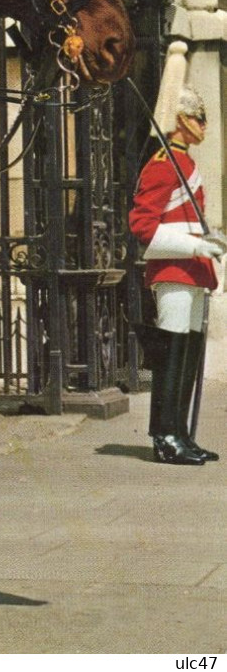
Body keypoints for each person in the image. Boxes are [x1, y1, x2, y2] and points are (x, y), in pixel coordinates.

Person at [129, 86, 225, 465]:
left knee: (187, 355)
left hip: (192, 272)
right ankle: (165, 437)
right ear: (183, 121)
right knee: (171, 354)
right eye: (199, 118)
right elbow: (142, 226)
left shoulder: (184, 164)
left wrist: (209, 241)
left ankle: (181, 433)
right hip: (173, 271)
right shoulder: (162, 164)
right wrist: (196, 246)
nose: (204, 125)